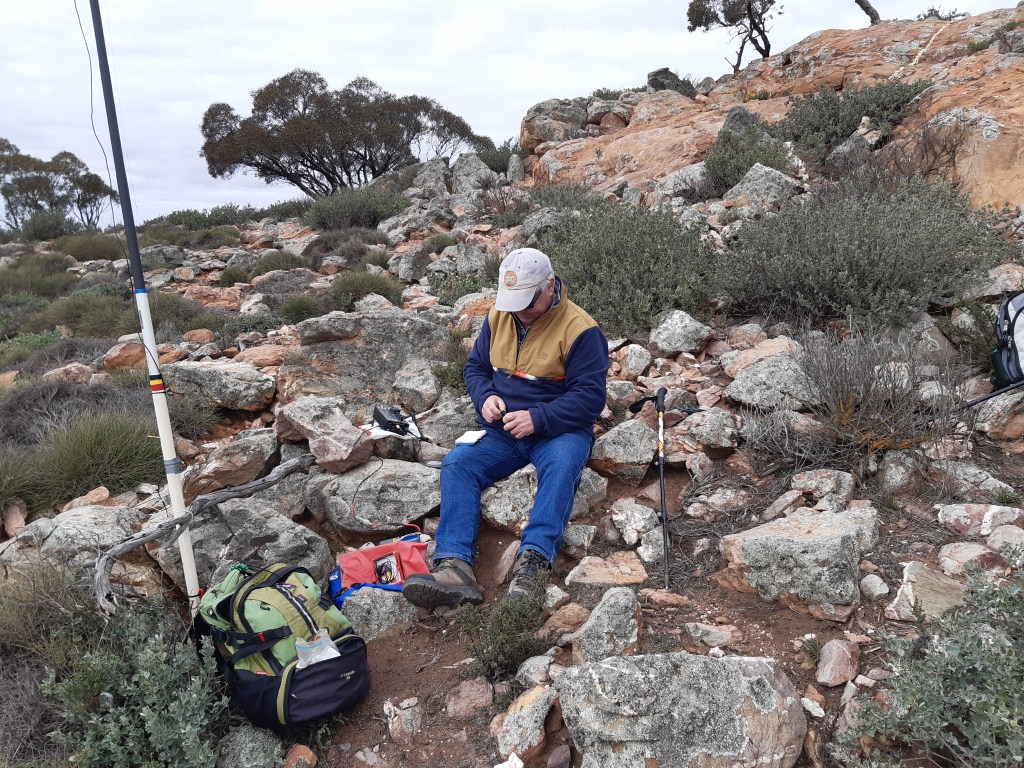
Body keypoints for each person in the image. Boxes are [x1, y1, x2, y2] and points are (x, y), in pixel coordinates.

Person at [403, 247, 609, 608]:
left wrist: (538, 418)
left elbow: (590, 398)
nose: (519, 312)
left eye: (526, 303)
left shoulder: (581, 329)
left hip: (560, 430)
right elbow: (476, 368)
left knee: (562, 466)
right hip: (502, 430)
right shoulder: (500, 316)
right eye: (513, 302)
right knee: (458, 464)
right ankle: (454, 567)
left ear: (549, 286)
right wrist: (484, 397)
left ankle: (532, 564)